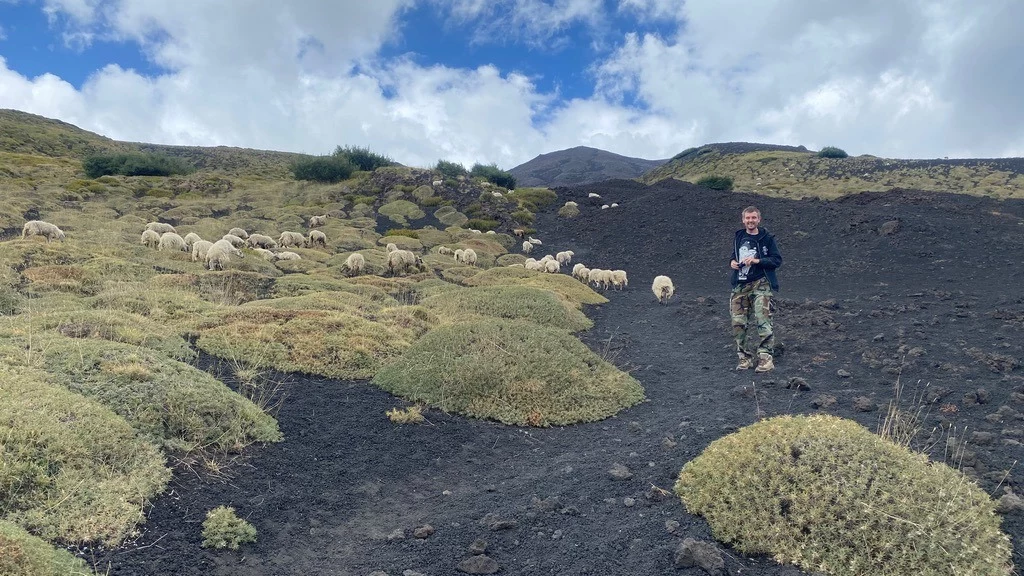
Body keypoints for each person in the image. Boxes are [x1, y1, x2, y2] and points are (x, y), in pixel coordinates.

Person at [729, 206, 782, 372]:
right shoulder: (739, 236)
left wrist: (757, 261)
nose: (750, 221)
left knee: (763, 320)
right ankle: (744, 358)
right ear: (743, 220)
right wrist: (732, 262)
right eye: (747, 218)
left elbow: (776, 260)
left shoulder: (767, 238)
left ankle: (766, 359)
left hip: (761, 284)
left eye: (753, 218)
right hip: (741, 284)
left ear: (758, 219)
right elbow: (734, 255)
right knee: (738, 323)